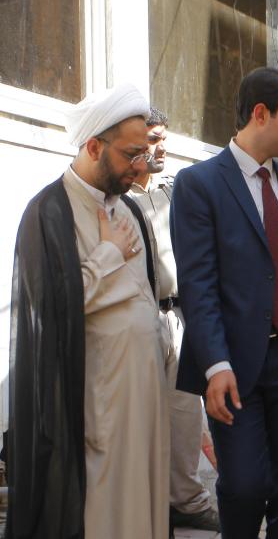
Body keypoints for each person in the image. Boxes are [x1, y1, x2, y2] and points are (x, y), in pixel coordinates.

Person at [171, 67, 278, 537]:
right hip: (234, 364)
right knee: (243, 485)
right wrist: (215, 364)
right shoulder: (198, 185)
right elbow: (197, 284)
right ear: (260, 114)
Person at [7, 83, 169, 538]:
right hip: (97, 407)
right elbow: (50, 309)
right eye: (131, 154)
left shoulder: (131, 210)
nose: (140, 167)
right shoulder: (48, 213)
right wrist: (107, 256)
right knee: (105, 512)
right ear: (94, 145)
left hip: (145, 399)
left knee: (148, 508)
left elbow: (145, 298)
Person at [129, 108, 221, 532]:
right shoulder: (117, 198)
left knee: (184, 412)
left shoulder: (172, 192)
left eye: (162, 137)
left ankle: (186, 500)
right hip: (139, 318)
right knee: (142, 413)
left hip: (179, 315)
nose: (159, 146)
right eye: (150, 138)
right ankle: (141, 498)